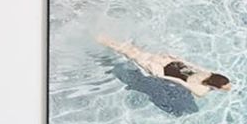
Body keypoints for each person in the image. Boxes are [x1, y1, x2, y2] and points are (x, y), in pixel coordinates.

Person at [98, 35, 231, 98]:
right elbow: (179, 81)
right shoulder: (201, 91)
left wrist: (178, 59)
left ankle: (108, 36)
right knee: (131, 54)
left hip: (172, 64)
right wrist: (161, 76)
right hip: (162, 70)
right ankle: (103, 40)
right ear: (215, 86)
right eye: (225, 87)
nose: (228, 88)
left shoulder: (210, 74)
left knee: (136, 51)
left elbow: (194, 66)